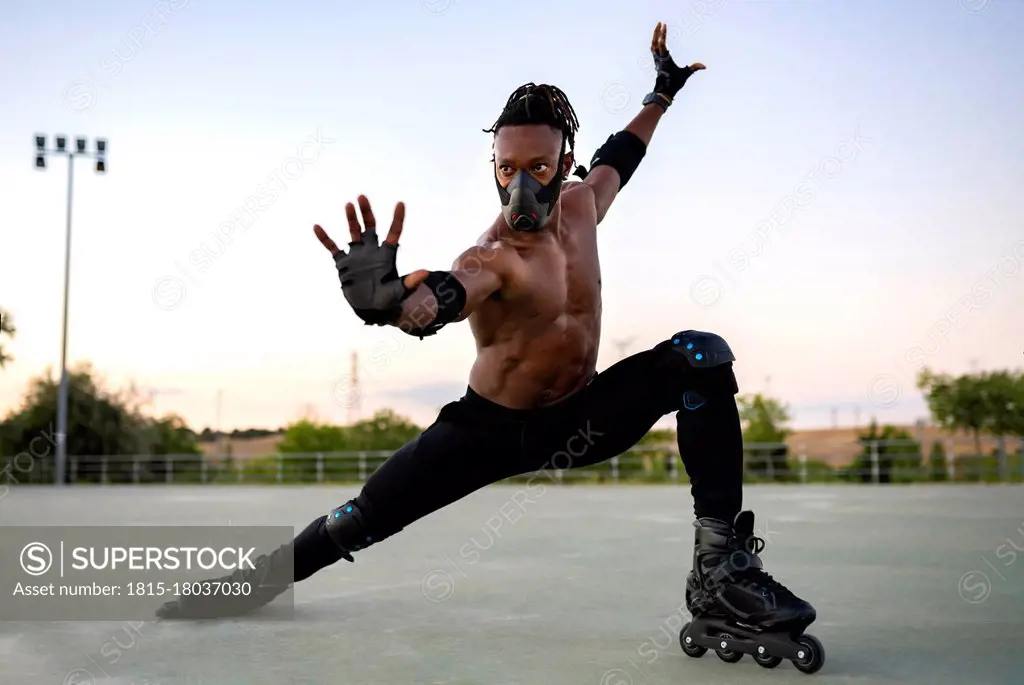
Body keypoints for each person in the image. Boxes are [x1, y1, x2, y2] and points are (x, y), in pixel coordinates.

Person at [156, 25, 817, 654]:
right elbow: (440, 297)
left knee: (698, 358)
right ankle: (246, 585)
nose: (519, 183)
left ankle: (718, 571)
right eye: (506, 168)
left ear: (564, 161)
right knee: (362, 515)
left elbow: (623, 154)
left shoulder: (585, 205)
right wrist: (391, 305)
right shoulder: (490, 255)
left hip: (581, 419)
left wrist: (661, 95)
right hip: (486, 432)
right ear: (492, 164)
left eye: (537, 164)